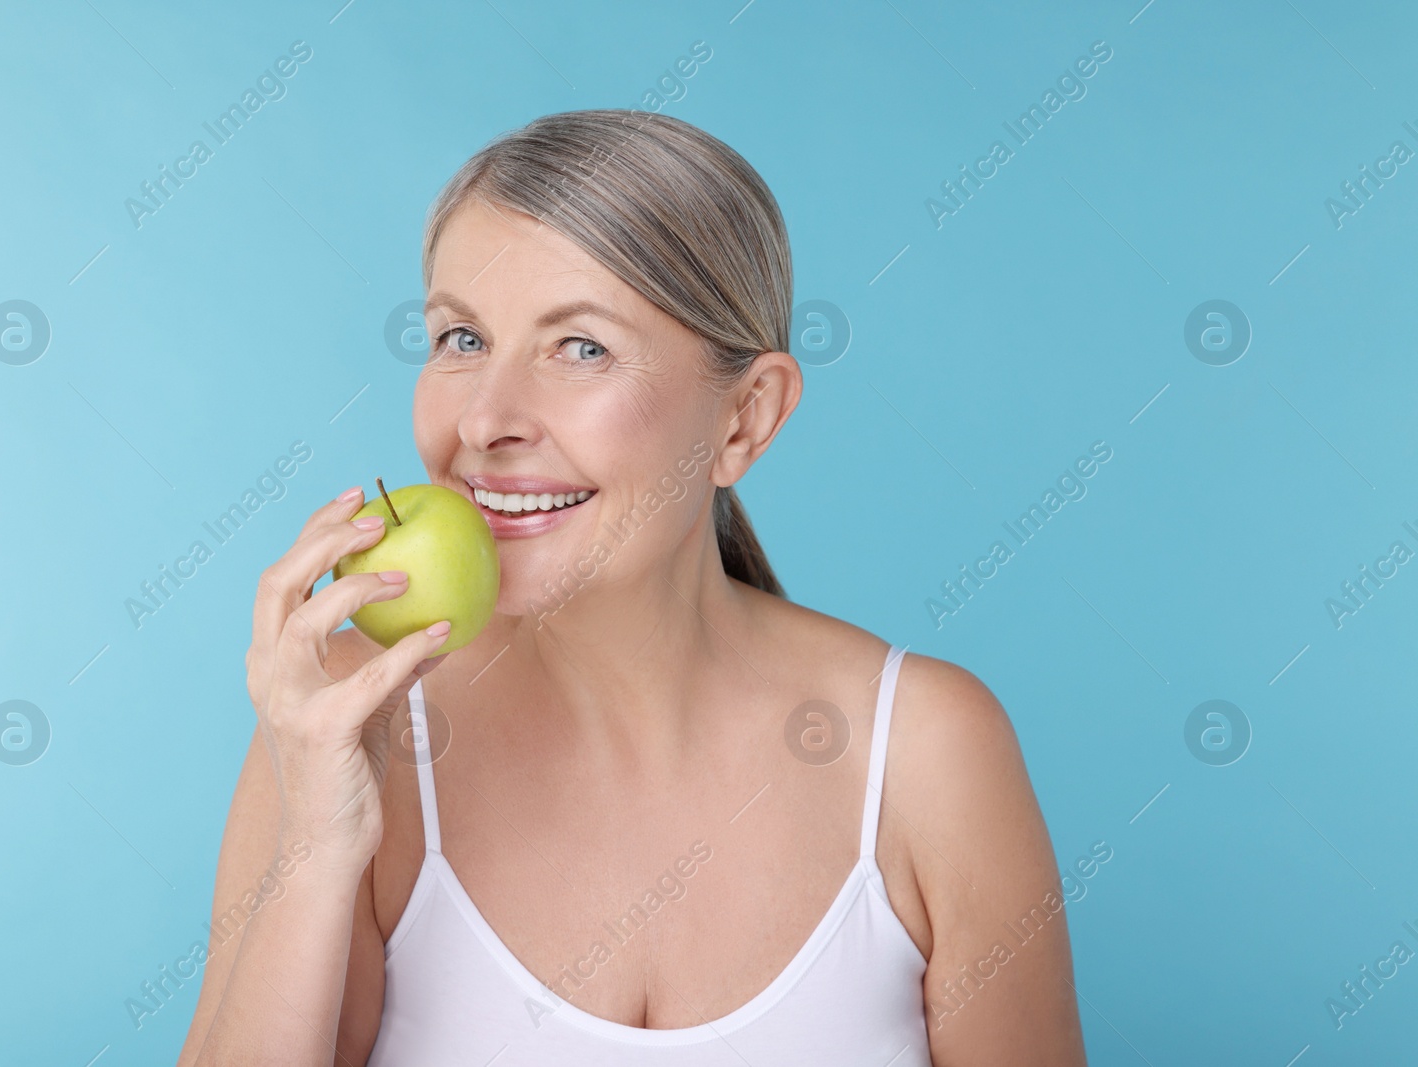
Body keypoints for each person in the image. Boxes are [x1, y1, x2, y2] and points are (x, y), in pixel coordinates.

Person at [178, 109, 1088, 1065]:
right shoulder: (353, 723)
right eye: (460, 338)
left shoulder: (929, 752)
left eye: (581, 348)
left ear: (745, 417)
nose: (486, 418)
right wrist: (314, 849)